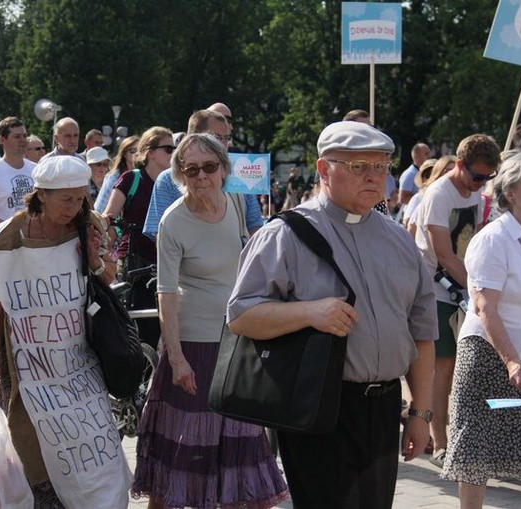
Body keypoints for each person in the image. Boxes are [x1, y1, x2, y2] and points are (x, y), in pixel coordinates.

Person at [227, 121, 436, 508]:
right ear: (324, 170)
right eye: (359, 167)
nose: (374, 177)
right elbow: (241, 315)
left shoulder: (397, 239)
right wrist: (309, 312)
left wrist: (421, 413)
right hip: (319, 406)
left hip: (384, 406)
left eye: (382, 166)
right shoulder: (284, 235)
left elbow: (422, 330)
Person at [131, 133, 288, 508]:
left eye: (209, 167)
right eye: (191, 169)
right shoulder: (174, 221)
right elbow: (166, 292)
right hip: (194, 345)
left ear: (224, 169)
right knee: (180, 461)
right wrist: (177, 357)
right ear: (180, 175)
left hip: (237, 340)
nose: (202, 176)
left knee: (242, 448)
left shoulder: (235, 199)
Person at [0, 155, 126, 508]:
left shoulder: (87, 224)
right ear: (41, 194)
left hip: (79, 360)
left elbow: (107, 278)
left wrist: (93, 259)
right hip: (27, 363)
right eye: (66, 199)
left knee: (95, 441)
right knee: (33, 440)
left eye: (80, 198)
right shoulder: (6, 240)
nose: (74, 207)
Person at [441, 152, 521, 507]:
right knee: (476, 454)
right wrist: (511, 360)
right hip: (490, 357)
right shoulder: (493, 239)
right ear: (511, 192)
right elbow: (484, 307)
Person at [414, 134, 500, 469]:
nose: (481, 184)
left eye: (488, 178)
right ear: (460, 165)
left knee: (470, 371)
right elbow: (445, 255)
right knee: (443, 370)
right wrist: (478, 289)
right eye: (477, 176)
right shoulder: (438, 194)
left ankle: (467, 438)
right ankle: (440, 441)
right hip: (438, 292)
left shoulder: (476, 193)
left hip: (467, 291)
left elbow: (476, 240)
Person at [142, 109, 264, 241]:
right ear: (194, 137)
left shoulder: (239, 176)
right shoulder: (168, 179)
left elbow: (254, 226)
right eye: (216, 137)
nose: (223, 144)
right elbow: (161, 234)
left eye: (226, 138)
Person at [102, 126, 173, 349]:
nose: (174, 153)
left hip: (167, 263)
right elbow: (110, 219)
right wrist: (102, 258)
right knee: (143, 328)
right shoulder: (131, 179)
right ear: (151, 152)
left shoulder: (173, 183)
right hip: (135, 264)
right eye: (168, 148)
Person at [94, 135, 139, 213]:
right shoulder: (114, 177)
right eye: (133, 150)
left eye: (140, 150)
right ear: (124, 154)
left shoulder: (145, 175)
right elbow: (99, 209)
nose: (137, 154)